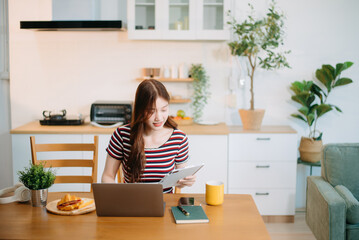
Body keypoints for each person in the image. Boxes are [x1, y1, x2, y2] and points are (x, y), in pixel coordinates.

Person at [102, 79, 196, 193]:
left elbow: (179, 180)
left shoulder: (179, 138)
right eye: (151, 111)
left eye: (164, 109)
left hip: (164, 203)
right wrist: (118, 197)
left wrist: (185, 181)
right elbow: (108, 176)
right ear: (140, 110)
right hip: (130, 202)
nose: (159, 117)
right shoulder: (122, 135)